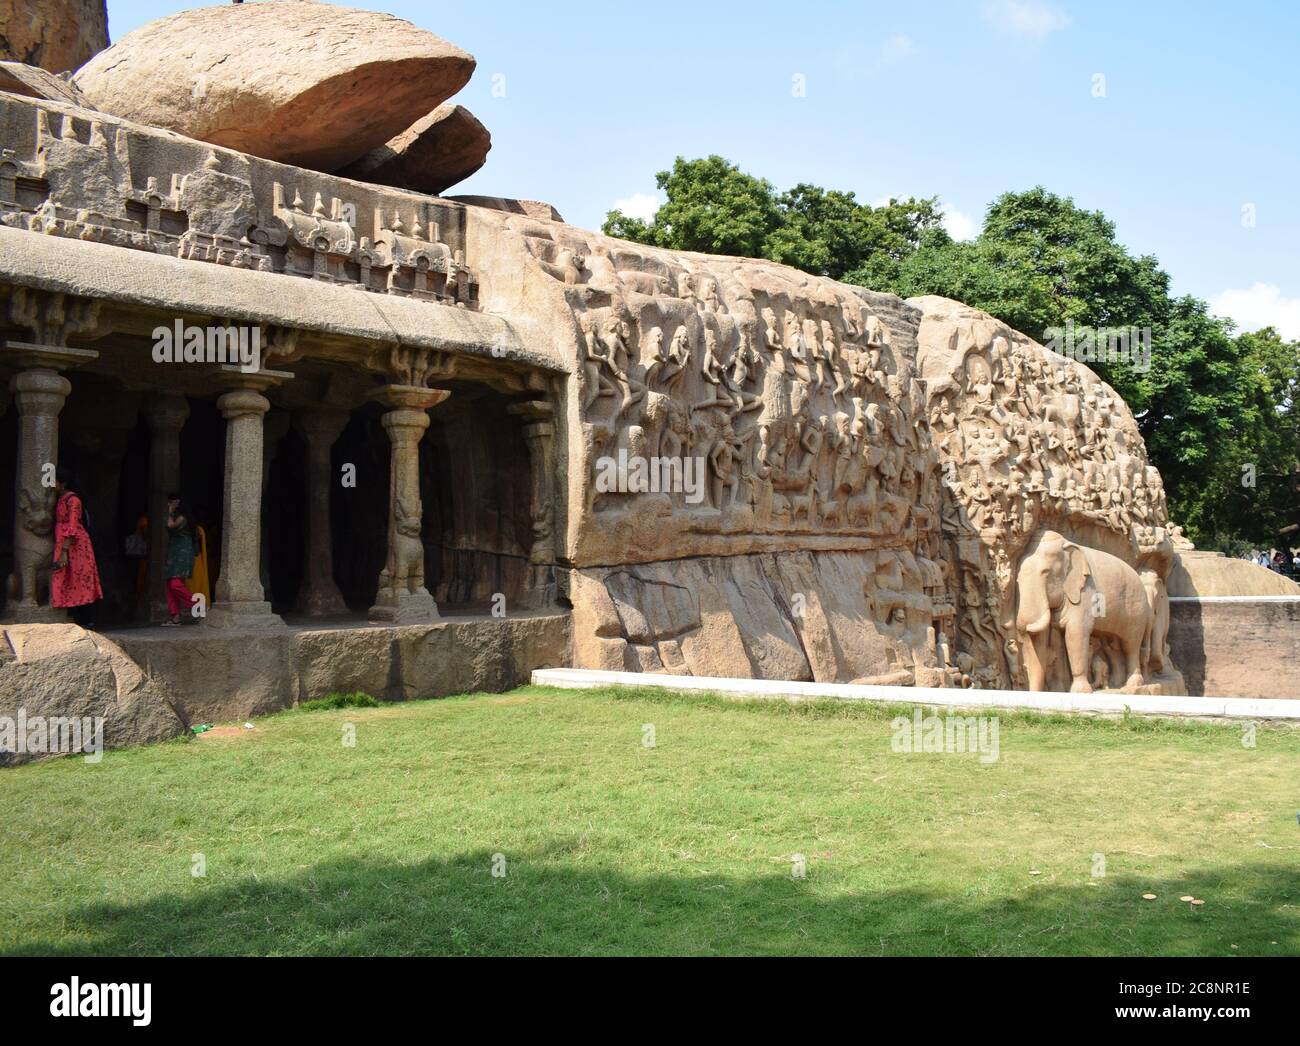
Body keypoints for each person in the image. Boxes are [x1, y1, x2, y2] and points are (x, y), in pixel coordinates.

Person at [51, 468, 104, 623]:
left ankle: (87, 620)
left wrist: (64, 551)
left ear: (63, 483)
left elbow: (73, 527)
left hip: (75, 545)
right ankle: (70, 615)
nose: (51, 484)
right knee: (66, 577)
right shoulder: (60, 499)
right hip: (63, 542)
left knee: (80, 579)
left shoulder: (73, 500)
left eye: (53, 481)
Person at [163, 493, 198, 625]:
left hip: (182, 555)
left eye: (170, 502)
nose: (168, 505)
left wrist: (170, 512)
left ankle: (197, 605)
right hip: (175, 553)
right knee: (169, 585)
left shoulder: (182, 518)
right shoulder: (182, 517)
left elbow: (170, 525)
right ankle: (175, 616)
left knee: (175, 584)